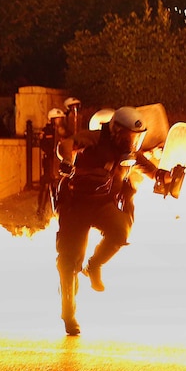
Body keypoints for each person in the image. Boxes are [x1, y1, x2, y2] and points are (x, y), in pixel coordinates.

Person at [55, 106, 164, 336]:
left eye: (135, 137)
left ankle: (94, 266)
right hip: (75, 203)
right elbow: (65, 145)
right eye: (128, 136)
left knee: (120, 230)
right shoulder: (94, 139)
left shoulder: (128, 152)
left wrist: (162, 175)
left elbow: (144, 165)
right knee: (68, 262)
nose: (132, 141)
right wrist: (67, 161)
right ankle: (68, 314)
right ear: (115, 131)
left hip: (102, 204)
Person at [37, 108, 66, 218]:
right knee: (46, 184)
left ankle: (57, 210)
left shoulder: (63, 131)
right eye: (57, 119)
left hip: (59, 161)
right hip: (49, 160)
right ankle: (41, 209)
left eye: (60, 119)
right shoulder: (46, 131)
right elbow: (43, 144)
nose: (59, 121)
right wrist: (51, 152)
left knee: (58, 186)